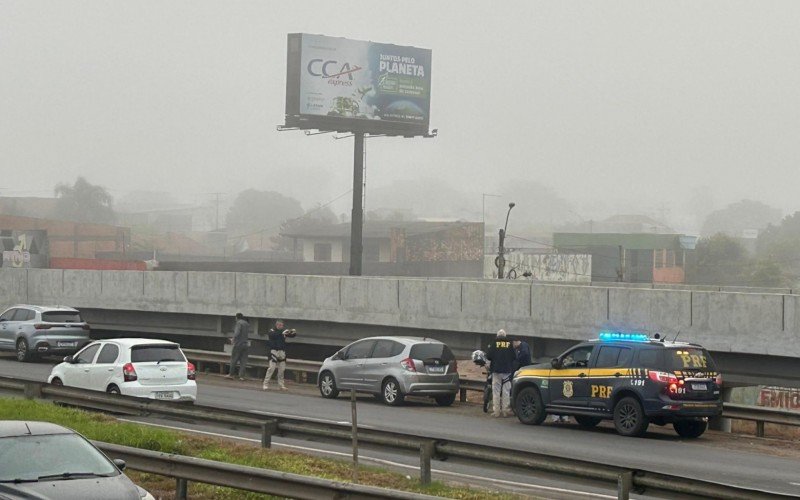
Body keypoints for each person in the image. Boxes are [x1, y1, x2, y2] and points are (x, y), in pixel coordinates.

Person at [485, 329, 516, 417]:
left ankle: (497, 411)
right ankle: (505, 411)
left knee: (496, 391)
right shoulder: (509, 344)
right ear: (505, 336)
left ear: (497, 336)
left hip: (496, 371)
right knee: (506, 391)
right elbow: (514, 357)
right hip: (507, 371)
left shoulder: (494, 343)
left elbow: (489, 356)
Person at [262, 319, 296, 391]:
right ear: (276, 325)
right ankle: (265, 384)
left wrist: (292, 332)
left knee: (282, 369)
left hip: (282, 352)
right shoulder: (272, 331)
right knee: (271, 368)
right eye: (279, 325)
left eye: (281, 325)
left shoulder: (283, 332)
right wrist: (282, 332)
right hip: (274, 351)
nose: (280, 326)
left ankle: (281, 385)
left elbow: (292, 336)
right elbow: (273, 335)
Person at [226, 313, 250, 381]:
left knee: (234, 359)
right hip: (245, 344)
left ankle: (231, 374)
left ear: (236, 317)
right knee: (243, 361)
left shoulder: (239, 323)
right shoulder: (246, 324)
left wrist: (233, 339)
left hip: (238, 344)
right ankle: (241, 376)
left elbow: (237, 332)